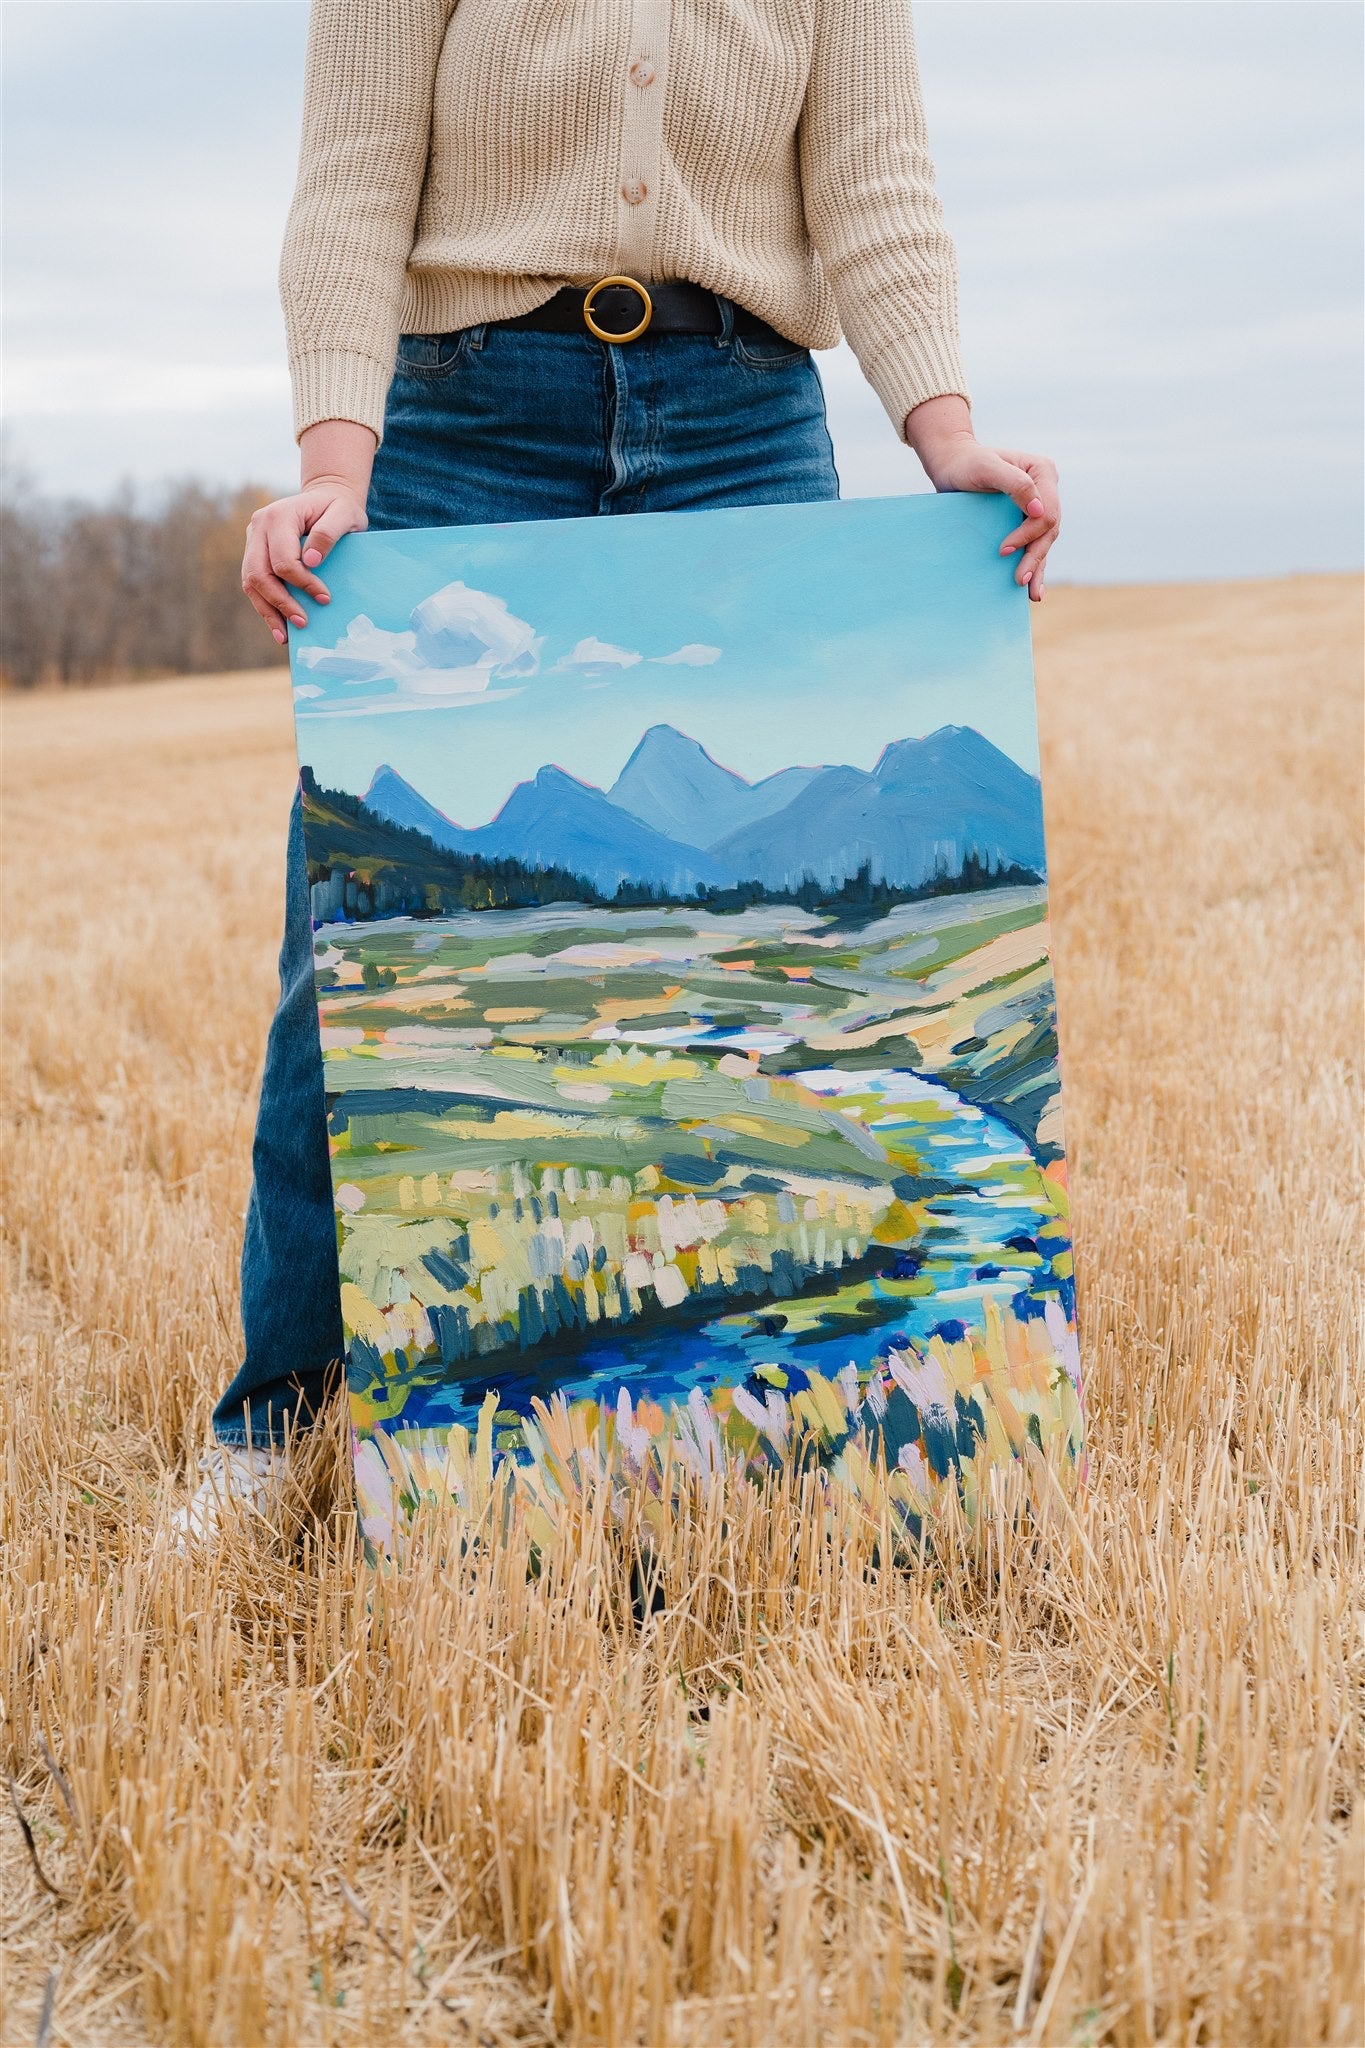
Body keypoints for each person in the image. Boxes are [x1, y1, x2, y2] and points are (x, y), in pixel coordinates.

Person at [175, 0, 1060, 1544]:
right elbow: (354, 181)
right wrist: (334, 464)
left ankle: (772, 1418)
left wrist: (947, 435)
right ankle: (275, 1424)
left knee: (787, 970)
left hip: (747, 414)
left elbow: (874, 184)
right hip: (461, 419)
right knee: (357, 954)